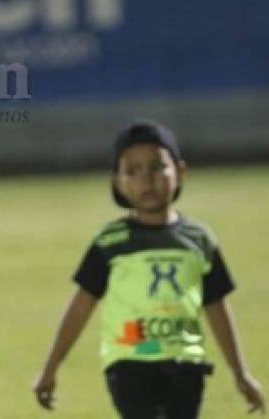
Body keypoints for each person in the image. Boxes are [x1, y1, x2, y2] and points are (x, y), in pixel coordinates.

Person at [32, 120, 265, 418]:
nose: (147, 180)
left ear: (180, 172)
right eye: (133, 171)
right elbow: (81, 306)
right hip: (131, 361)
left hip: (186, 364)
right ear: (117, 181)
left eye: (157, 167)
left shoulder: (199, 240)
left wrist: (240, 372)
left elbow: (216, 306)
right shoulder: (111, 242)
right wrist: (51, 367)